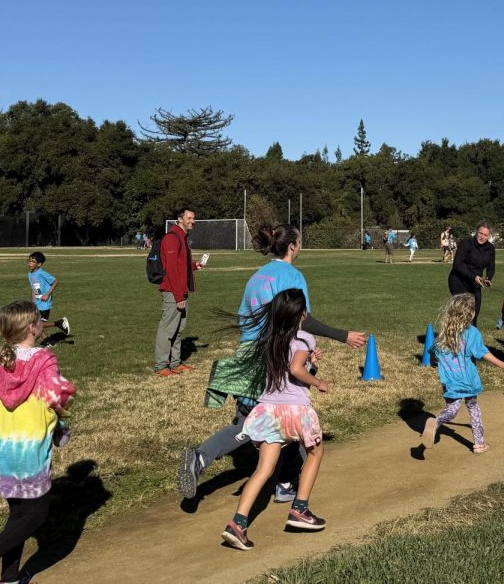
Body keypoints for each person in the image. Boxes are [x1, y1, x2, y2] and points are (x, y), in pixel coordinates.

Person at [178, 222, 365, 503]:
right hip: (271, 357)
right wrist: (343, 335)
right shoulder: (292, 275)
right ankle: (200, 458)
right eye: (300, 243)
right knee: (264, 420)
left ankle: (286, 484)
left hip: (248, 353)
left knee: (276, 419)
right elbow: (303, 319)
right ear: (292, 246)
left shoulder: (257, 276)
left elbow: (248, 319)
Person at [0, 301, 75, 584]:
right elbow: (58, 397)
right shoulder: (44, 360)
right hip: (28, 449)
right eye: (39, 321)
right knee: (36, 514)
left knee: (19, 514)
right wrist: (61, 424)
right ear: (33, 327)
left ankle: (9, 579)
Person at [220, 290, 329, 551]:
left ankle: (237, 524)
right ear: (300, 314)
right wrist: (318, 380)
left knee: (263, 470)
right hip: (294, 411)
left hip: (269, 411)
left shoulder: (269, 338)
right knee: (315, 452)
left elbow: (288, 367)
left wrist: (311, 362)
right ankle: (300, 510)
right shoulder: (304, 337)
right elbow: (295, 370)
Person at [421, 295, 504, 454]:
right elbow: (483, 353)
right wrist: (503, 365)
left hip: (449, 381)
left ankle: (436, 422)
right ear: (471, 314)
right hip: (468, 381)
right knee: (473, 407)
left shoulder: (445, 333)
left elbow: (432, 350)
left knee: (452, 409)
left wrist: (433, 360)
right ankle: (479, 444)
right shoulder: (472, 332)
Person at [154, 208, 207, 376]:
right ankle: (161, 365)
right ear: (179, 219)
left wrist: (194, 266)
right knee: (168, 328)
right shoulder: (172, 238)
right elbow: (171, 270)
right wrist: (178, 297)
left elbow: (181, 265)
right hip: (172, 291)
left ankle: (175, 363)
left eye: (193, 218)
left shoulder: (182, 238)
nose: (193, 221)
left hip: (181, 290)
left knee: (178, 328)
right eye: (189, 218)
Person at [448, 222, 496, 326]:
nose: (482, 237)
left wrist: (487, 278)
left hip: (475, 283)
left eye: (485, 235)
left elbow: (491, 267)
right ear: (476, 232)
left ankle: (471, 340)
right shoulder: (467, 242)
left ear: (489, 236)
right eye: (480, 233)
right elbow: (457, 265)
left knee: (474, 312)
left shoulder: (491, 248)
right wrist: (473, 276)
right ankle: (455, 336)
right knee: (463, 310)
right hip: (458, 280)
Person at [25, 251, 70, 338]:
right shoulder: (30, 274)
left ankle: (58, 323)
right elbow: (33, 288)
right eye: (29, 261)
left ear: (39, 264)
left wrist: (47, 294)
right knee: (35, 324)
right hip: (37, 303)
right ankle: (48, 341)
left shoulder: (42, 273)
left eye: (33, 262)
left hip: (44, 304)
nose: (30, 263)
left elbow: (55, 281)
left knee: (38, 324)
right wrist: (33, 302)